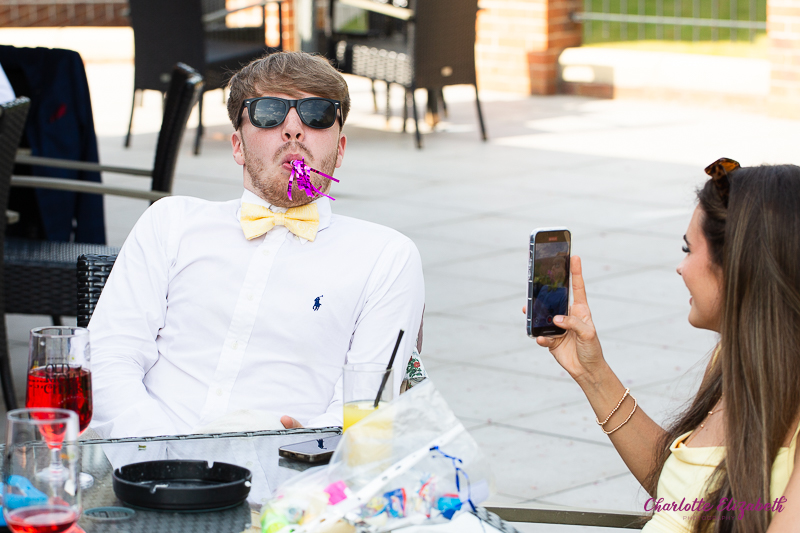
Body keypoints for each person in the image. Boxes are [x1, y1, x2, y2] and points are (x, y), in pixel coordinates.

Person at [88, 52, 425, 439]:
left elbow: (366, 409)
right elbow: (108, 357)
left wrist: (304, 447)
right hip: (144, 459)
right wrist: (162, 449)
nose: (294, 129)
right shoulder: (171, 223)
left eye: (317, 114)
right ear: (237, 146)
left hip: (283, 478)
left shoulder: (385, 257)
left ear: (341, 149)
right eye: (269, 112)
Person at [531, 160, 800, 532]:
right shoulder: (733, 357)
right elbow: (685, 498)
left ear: (740, 265)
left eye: (689, 249)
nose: (681, 267)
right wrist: (591, 371)